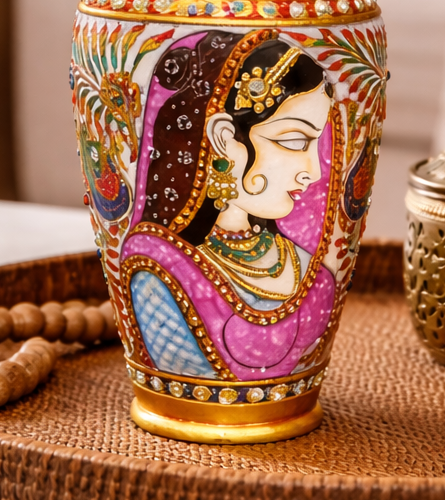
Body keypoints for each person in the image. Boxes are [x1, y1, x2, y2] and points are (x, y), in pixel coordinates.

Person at [120, 29, 338, 381]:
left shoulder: (310, 271)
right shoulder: (158, 269)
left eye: (316, 143)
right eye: (295, 141)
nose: (313, 171)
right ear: (224, 139)